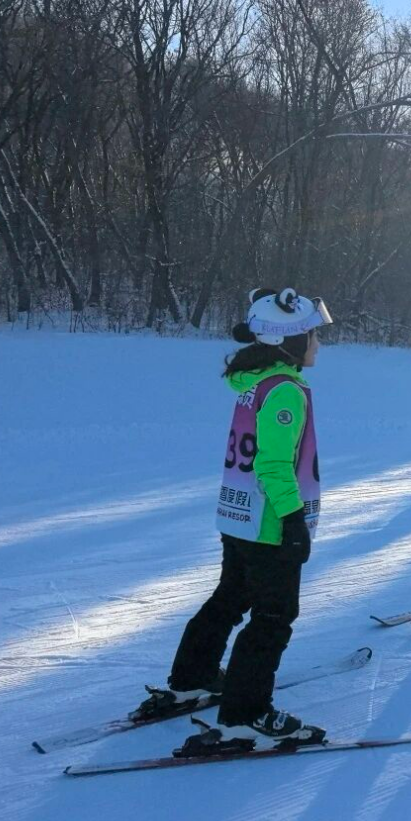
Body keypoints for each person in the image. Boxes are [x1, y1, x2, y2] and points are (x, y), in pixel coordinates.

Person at [162, 288, 332, 755]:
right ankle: (245, 716)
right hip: (267, 523)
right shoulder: (285, 391)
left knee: (230, 597)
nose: (318, 343)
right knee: (273, 617)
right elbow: (274, 466)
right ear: (290, 341)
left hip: (238, 517)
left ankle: (192, 676)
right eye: (313, 334)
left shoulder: (254, 381)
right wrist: (294, 523)